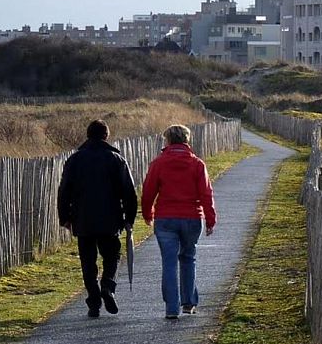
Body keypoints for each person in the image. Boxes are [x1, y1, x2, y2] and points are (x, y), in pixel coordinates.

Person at [57, 120, 137, 318]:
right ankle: (108, 286)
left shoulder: (74, 160)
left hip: (83, 218)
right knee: (112, 255)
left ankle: (94, 301)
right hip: (110, 217)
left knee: (88, 260)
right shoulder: (116, 159)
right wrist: (129, 218)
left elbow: (64, 190)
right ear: (106, 136)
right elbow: (129, 192)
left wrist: (64, 217)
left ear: (88, 135)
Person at [141, 124, 216, 320]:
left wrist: (148, 213)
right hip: (191, 217)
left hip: (165, 218)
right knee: (188, 258)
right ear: (187, 140)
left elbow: (149, 191)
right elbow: (206, 193)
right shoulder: (197, 164)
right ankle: (189, 303)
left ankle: (171, 308)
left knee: (169, 262)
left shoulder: (158, 163)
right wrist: (210, 218)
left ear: (167, 141)